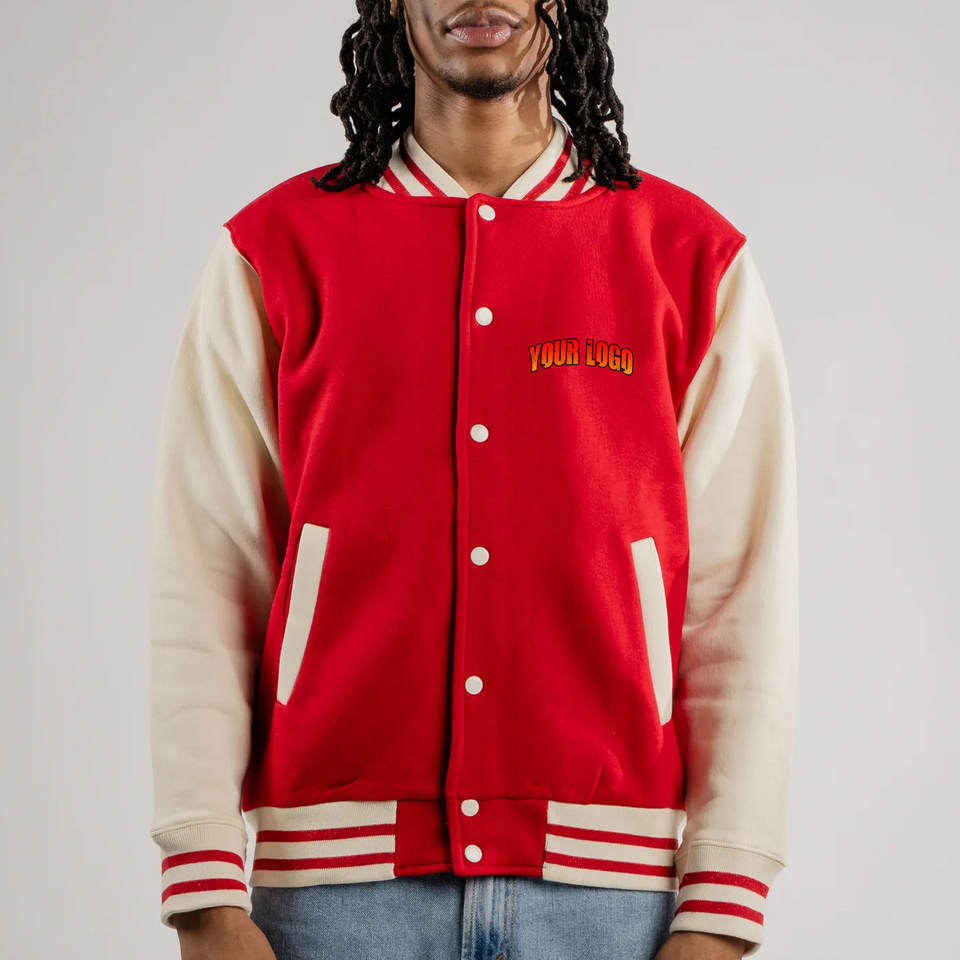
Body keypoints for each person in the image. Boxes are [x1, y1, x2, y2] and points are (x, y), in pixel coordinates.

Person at [148, 2, 799, 959]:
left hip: (611, 903)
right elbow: (206, 573)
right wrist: (204, 891)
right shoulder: (276, 251)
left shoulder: (689, 259)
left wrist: (723, 907)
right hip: (334, 898)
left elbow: (741, 599)